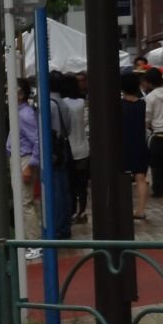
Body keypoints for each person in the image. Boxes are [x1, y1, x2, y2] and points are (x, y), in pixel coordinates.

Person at [9, 79, 42, 258]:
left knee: (25, 202)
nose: (7, 94)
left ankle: (34, 243)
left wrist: (30, 165)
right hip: (20, 158)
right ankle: (30, 241)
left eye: (10, 90)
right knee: (23, 201)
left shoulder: (24, 114)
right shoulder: (20, 112)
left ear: (20, 93)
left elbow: (36, 139)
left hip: (24, 158)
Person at [45, 71, 73, 239]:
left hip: (52, 149)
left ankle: (57, 226)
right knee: (64, 189)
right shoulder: (64, 103)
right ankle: (64, 225)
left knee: (54, 189)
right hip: (63, 148)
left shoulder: (48, 103)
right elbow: (67, 129)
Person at [120, 70, 150, 221]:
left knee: (121, 176)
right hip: (139, 143)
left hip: (122, 145)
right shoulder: (142, 104)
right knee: (140, 177)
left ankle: (122, 208)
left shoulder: (118, 106)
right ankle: (141, 210)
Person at [61, 75, 90, 224]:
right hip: (83, 148)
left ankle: (72, 211)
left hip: (69, 148)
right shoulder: (81, 102)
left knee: (71, 184)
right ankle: (82, 211)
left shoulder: (63, 103)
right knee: (82, 184)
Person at [144, 67, 163, 198]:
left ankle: (158, 190)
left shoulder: (150, 98)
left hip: (159, 135)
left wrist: (149, 126)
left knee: (156, 164)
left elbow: (147, 118)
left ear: (149, 82)